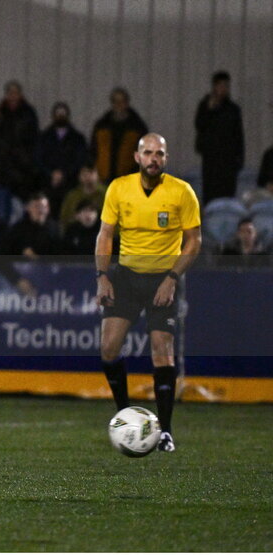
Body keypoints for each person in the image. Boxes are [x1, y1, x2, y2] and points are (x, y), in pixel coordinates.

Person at [96, 133, 201, 453]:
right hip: (126, 275)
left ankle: (165, 430)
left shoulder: (181, 192)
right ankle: (125, 415)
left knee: (161, 349)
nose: (154, 158)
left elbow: (194, 241)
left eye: (160, 153)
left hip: (162, 277)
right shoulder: (118, 188)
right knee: (109, 348)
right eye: (149, 153)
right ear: (137, 157)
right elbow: (105, 234)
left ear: (165, 159)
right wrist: (102, 276)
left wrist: (172, 278)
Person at [194, 71, 244, 205]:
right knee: (210, 197)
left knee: (227, 197)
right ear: (214, 87)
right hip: (211, 161)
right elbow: (199, 125)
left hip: (228, 162)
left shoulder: (233, 109)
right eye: (220, 85)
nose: (224, 89)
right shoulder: (205, 106)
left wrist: (239, 159)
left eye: (226, 86)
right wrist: (210, 109)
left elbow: (238, 135)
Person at [89, 87, 148, 183]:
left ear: (127, 103)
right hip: (104, 178)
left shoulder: (137, 127)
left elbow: (144, 155)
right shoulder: (101, 126)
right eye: (115, 101)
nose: (118, 105)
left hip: (128, 179)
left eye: (122, 101)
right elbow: (93, 150)